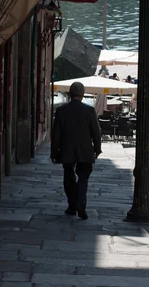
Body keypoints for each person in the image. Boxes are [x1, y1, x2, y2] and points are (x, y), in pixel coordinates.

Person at [51, 81, 102, 220]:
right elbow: (96, 132)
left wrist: (54, 152)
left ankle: (72, 205)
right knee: (83, 177)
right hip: (85, 150)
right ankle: (80, 202)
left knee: (68, 177)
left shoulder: (61, 111)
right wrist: (97, 149)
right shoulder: (89, 110)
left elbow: (56, 134)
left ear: (69, 94)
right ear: (83, 94)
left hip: (66, 150)